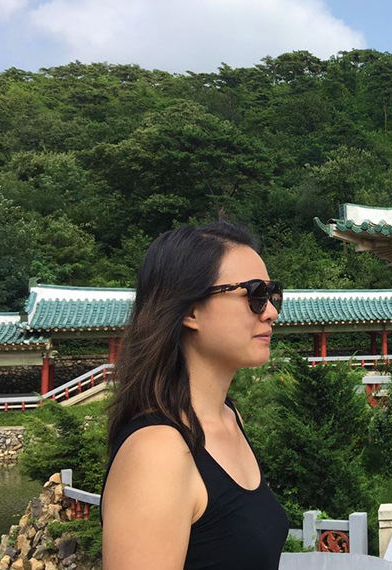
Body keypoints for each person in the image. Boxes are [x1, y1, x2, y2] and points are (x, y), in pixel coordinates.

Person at [99, 220, 287, 570]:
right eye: (255, 295)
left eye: (273, 295)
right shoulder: (157, 452)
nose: (272, 312)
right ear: (190, 310)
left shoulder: (229, 418)